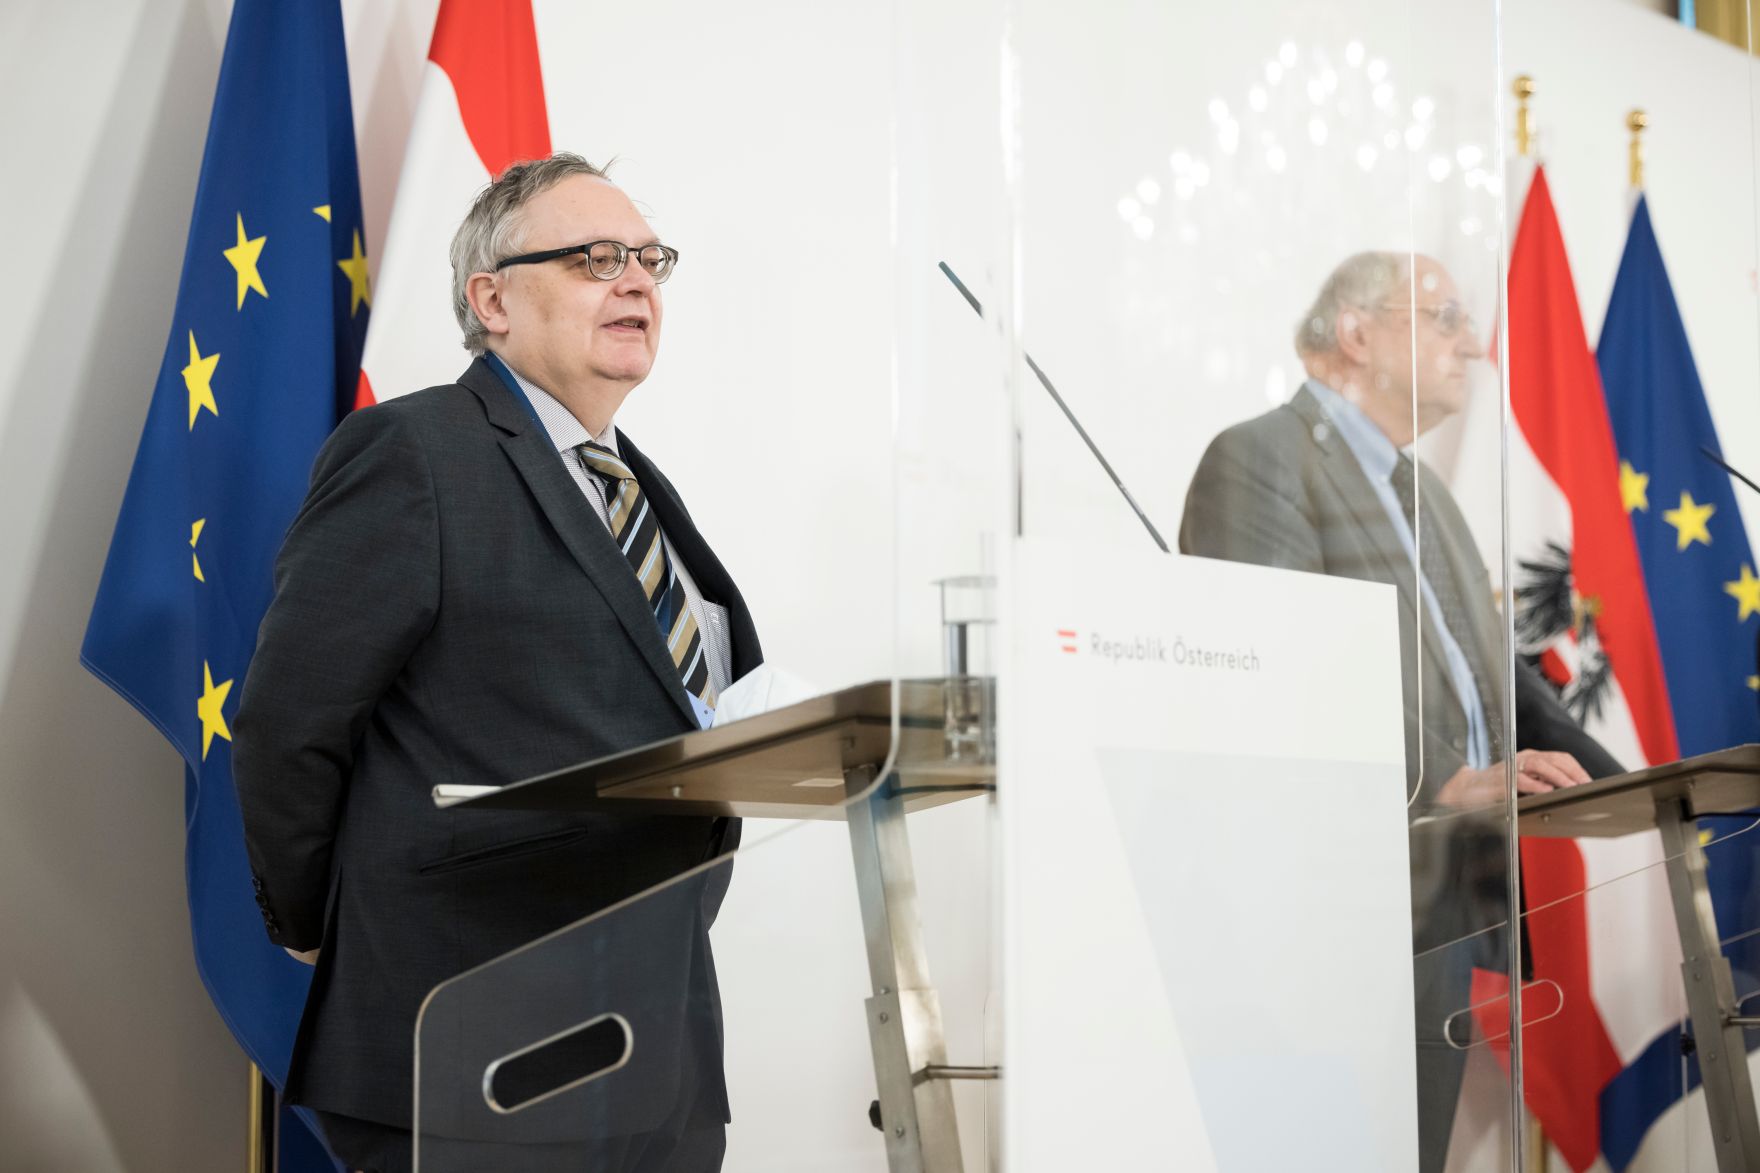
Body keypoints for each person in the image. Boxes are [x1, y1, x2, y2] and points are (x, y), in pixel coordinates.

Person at [234, 153, 760, 1173]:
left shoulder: (635, 489)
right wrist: (314, 927)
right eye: (597, 257)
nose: (637, 281)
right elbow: (289, 721)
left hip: (656, 1048)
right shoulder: (414, 453)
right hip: (470, 1044)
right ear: (492, 299)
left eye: (650, 259)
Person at [1179, 250, 1621, 1173]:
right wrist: (1444, 776)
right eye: (1445, 317)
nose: (1476, 342)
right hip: (1327, 915)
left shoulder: (1429, 495)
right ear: (1357, 333)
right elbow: (1277, 672)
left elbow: (1500, 680)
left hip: (1438, 905)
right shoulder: (1259, 459)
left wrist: (1628, 784)